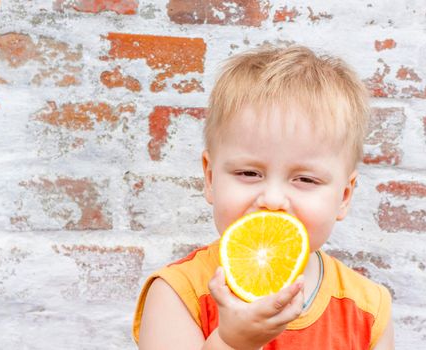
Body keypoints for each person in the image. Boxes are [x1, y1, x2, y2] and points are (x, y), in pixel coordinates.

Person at [132, 45, 394, 350]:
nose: (272, 199)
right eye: (248, 173)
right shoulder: (178, 292)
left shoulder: (367, 309)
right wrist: (231, 342)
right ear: (210, 178)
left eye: (305, 179)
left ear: (344, 196)